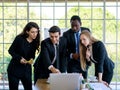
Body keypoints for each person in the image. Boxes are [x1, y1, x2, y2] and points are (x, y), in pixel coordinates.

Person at [7, 22, 40, 90]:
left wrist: (31, 59)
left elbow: (32, 56)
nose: (35, 34)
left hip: (26, 70)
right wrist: (19, 59)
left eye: (36, 32)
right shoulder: (19, 38)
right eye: (32, 32)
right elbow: (11, 51)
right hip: (14, 70)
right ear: (27, 31)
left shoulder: (35, 41)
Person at [63, 15, 91, 79]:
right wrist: (72, 55)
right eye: (72, 26)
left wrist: (88, 55)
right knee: (73, 83)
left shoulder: (86, 31)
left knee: (84, 81)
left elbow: (90, 44)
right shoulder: (66, 34)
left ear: (80, 24)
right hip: (72, 63)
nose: (74, 28)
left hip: (84, 61)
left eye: (76, 26)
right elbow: (63, 50)